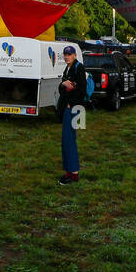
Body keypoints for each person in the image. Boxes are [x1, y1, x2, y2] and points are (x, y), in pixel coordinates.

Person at [56, 46, 85, 185]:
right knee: (66, 141)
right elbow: (61, 88)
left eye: (69, 54)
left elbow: (82, 90)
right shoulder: (67, 68)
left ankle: (73, 173)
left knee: (69, 140)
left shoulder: (79, 67)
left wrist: (71, 104)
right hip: (67, 108)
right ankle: (69, 170)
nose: (66, 57)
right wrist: (63, 83)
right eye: (65, 55)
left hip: (74, 109)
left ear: (74, 55)